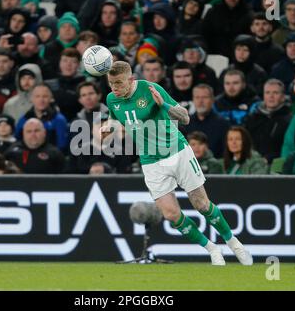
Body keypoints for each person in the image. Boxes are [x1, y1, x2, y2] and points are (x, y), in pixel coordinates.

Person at [100, 61, 253, 265]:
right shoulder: (112, 99)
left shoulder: (150, 89)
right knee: (171, 215)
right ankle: (212, 249)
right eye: (111, 83)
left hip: (177, 151)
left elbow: (185, 118)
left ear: (130, 79)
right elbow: (114, 119)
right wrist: (107, 129)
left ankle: (233, 243)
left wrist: (163, 105)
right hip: (150, 161)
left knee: (202, 205)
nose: (114, 88)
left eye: (119, 83)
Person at [244, 79, 292, 164]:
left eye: (275, 93)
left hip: (276, 166)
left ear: (283, 97)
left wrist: (269, 159)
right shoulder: (252, 118)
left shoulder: (289, 120)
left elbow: (288, 148)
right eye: (267, 92)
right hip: (252, 164)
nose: (271, 96)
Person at [181, 84, 230, 158]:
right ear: (193, 100)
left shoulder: (223, 125)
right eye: (197, 97)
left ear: (213, 100)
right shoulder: (185, 124)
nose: (200, 101)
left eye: (205, 97)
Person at [15, 83, 69, 153]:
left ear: (51, 99)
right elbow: (17, 143)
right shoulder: (23, 120)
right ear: (31, 98)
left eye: (45, 96)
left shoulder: (59, 120)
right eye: (37, 96)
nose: (41, 100)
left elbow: (62, 147)